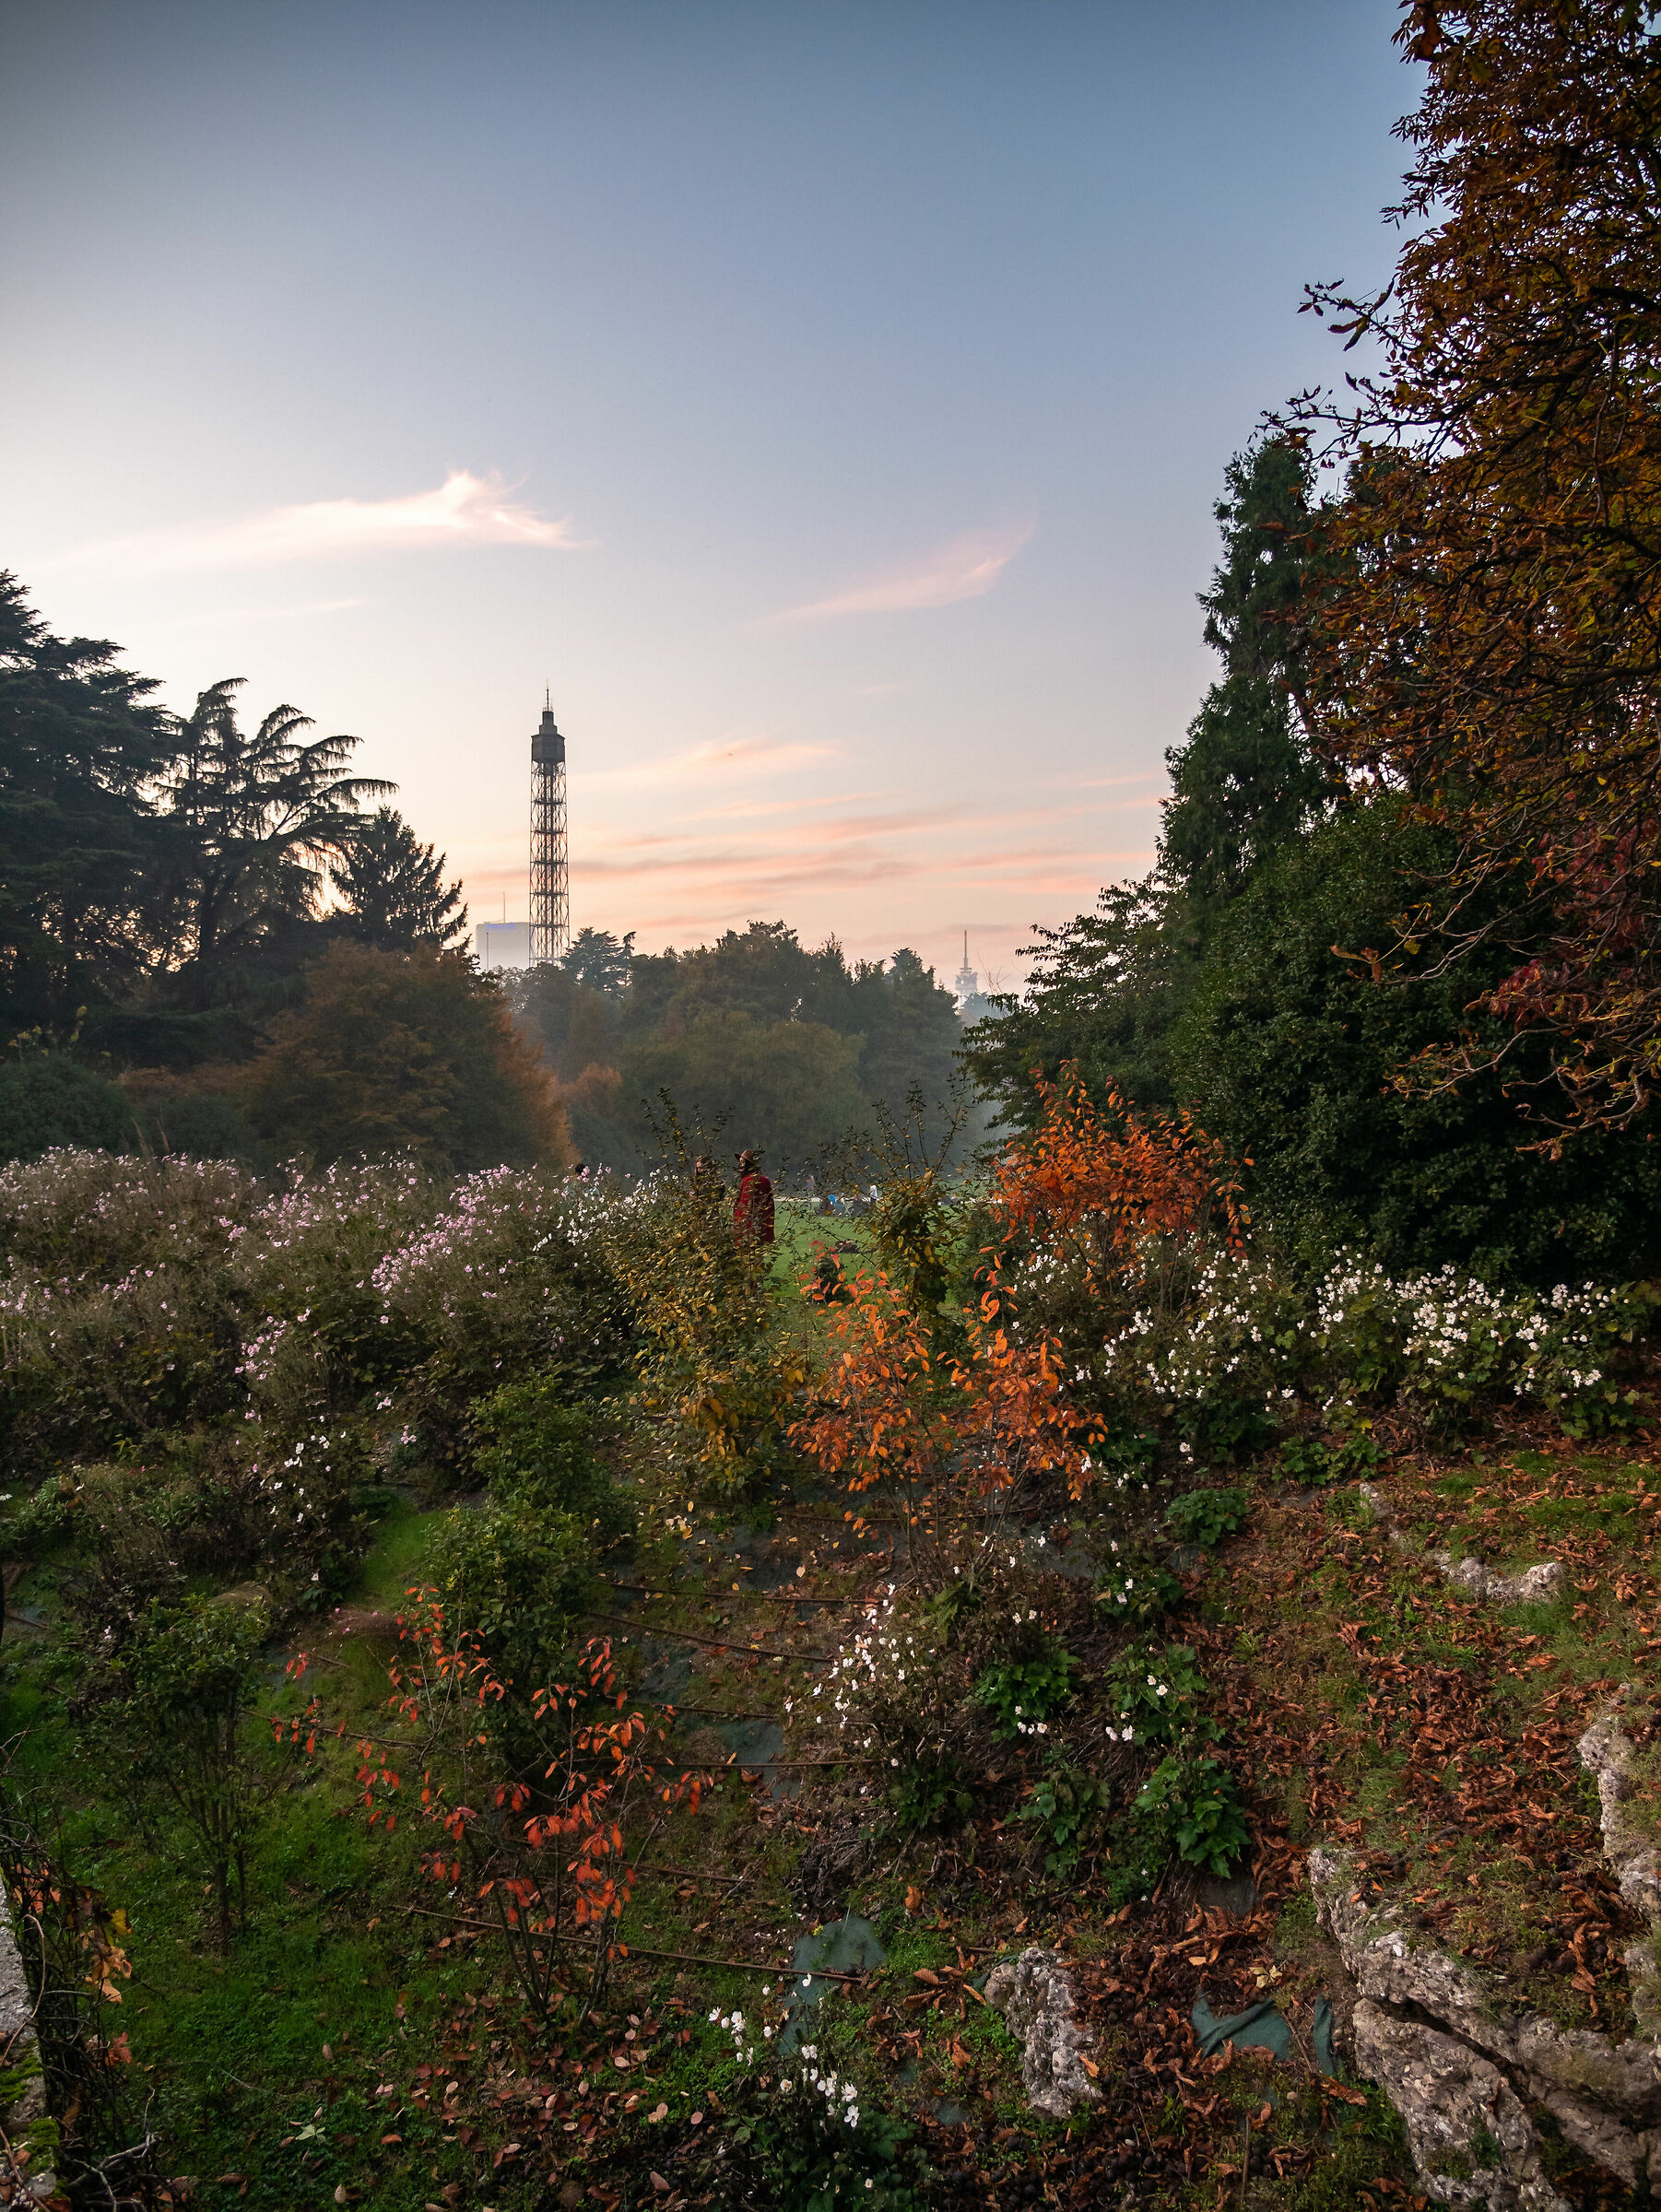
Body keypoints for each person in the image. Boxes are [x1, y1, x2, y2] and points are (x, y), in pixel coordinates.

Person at [733, 1148, 775, 1249]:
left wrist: (740, 1229)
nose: (740, 1166)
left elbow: (744, 1208)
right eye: (740, 1162)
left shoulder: (748, 1180)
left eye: (743, 1162)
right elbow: (770, 1208)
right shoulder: (765, 1180)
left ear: (749, 1164)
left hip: (748, 1231)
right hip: (761, 1228)